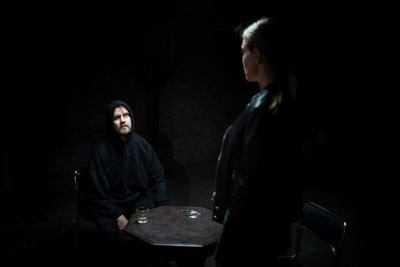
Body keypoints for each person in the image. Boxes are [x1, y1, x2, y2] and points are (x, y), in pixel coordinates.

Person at [212, 17, 303, 266]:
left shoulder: (265, 109)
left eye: (244, 51)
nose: (241, 59)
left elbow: (250, 185)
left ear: (258, 55)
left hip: (248, 234)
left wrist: (227, 243)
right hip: (262, 231)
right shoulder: (270, 102)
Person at [86, 99, 170, 264]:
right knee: (110, 236)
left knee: (151, 228)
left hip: (135, 200)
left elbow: (158, 177)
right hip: (107, 205)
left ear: (131, 117)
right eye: (117, 117)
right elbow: (96, 194)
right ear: (111, 123)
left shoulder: (142, 145)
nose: (123, 120)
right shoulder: (100, 151)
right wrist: (118, 216)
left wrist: (163, 206)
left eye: (126, 115)